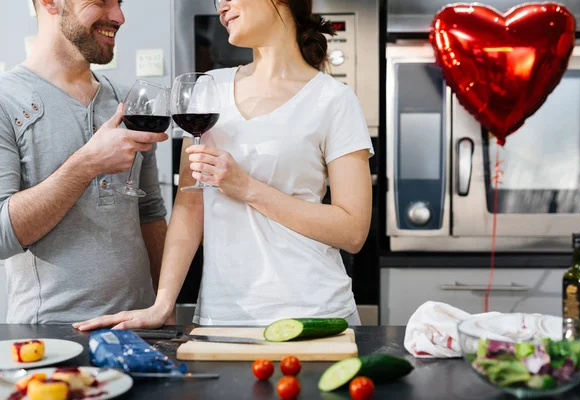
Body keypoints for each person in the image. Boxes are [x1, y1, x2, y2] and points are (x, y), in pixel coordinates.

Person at [74, 0, 373, 330]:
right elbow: (189, 207)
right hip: (223, 317)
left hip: (315, 315)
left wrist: (247, 188)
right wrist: (162, 304)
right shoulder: (208, 89)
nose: (222, 6)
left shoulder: (333, 99)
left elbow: (353, 231)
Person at [0, 0, 170, 323]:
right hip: (52, 338)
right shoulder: (6, 102)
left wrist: (165, 308)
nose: (119, 16)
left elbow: (151, 215)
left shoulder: (127, 103)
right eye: (102, 1)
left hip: (138, 331)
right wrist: (87, 163)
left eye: (119, 3)